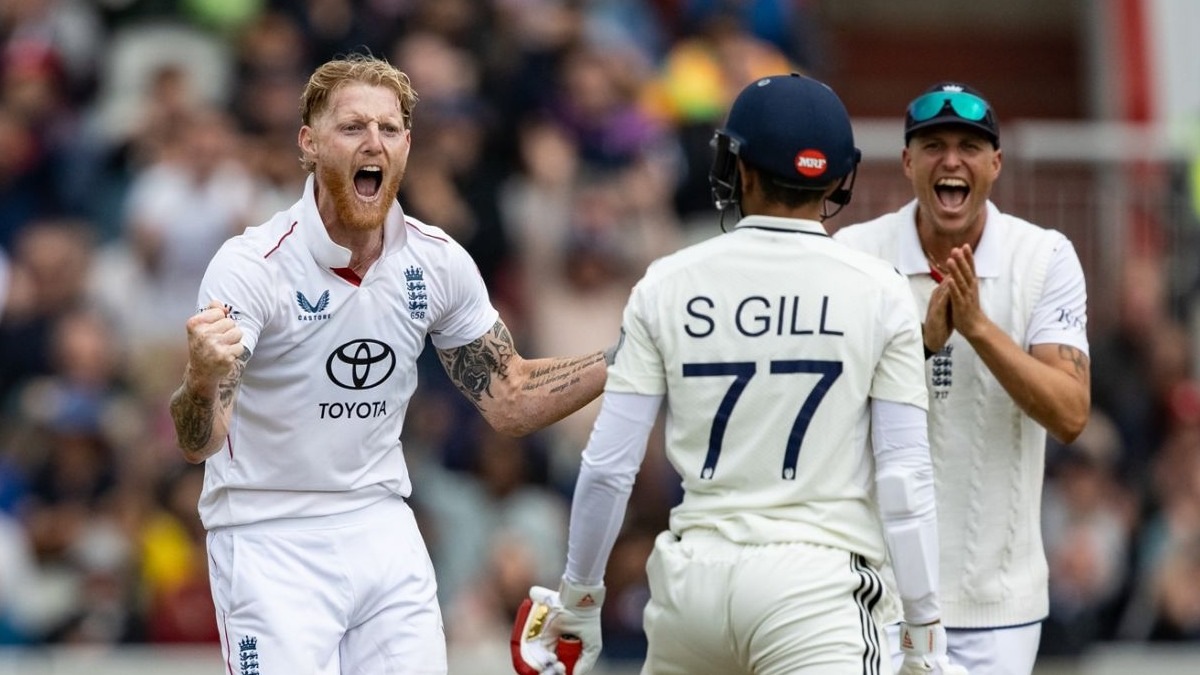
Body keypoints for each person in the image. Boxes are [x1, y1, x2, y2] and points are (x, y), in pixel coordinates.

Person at [510, 73, 966, 675]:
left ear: (738, 168)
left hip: (691, 586)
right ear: (837, 178)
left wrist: (580, 598)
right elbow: (904, 479)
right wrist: (924, 630)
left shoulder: (668, 282)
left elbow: (607, 468)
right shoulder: (880, 290)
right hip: (818, 589)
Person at [168, 53, 610, 674]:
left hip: (382, 527)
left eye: (390, 128)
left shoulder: (437, 262)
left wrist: (630, 355)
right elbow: (199, 441)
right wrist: (200, 377)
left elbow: (510, 396)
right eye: (352, 127)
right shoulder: (252, 266)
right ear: (309, 143)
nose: (373, 141)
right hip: (268, 534)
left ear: (406, 146)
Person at [833, 82, 1092, 674]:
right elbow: (831, 413)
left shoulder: (1045, 257)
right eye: (933, 146)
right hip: (875, 592)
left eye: (970, 147)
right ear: (907, 161)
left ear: (995, 164)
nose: (952, 161)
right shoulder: (855, 254)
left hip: (997, 602)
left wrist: (977, 328)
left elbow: (1071, 414)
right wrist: (921, 346)